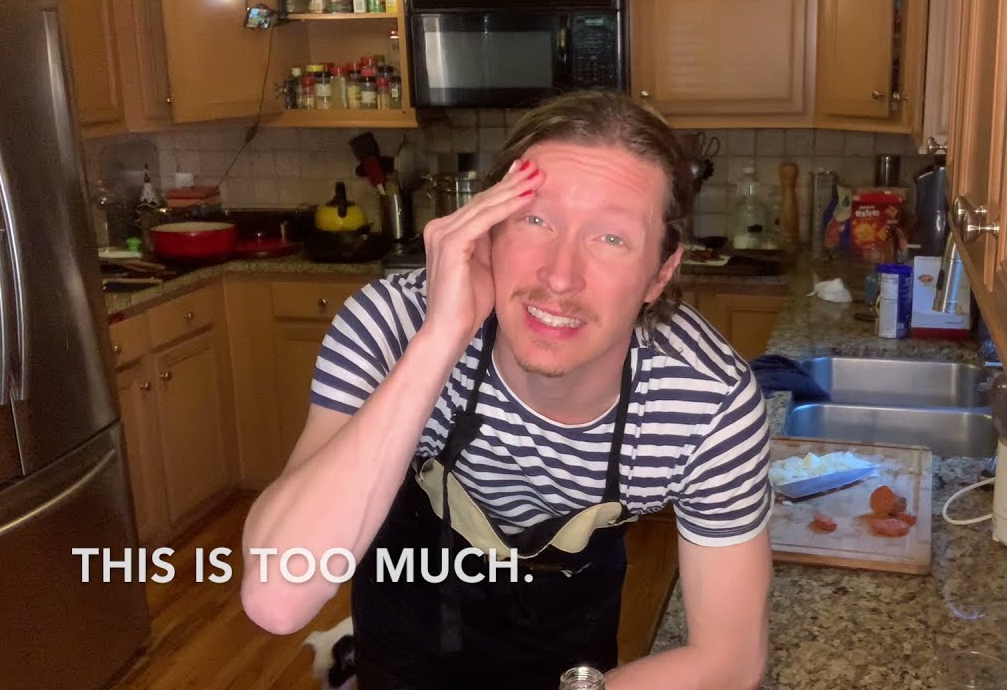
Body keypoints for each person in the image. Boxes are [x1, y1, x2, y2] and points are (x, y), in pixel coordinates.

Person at [240, 91, 774, 689]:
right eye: (535, 220)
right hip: (402, 643)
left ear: (660, 274)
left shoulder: (705, 404)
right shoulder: (394, 323)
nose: (560, 276)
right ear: (489, 229)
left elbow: (732, 658)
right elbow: (277, 597)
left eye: (611, 238)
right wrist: (440, 338)